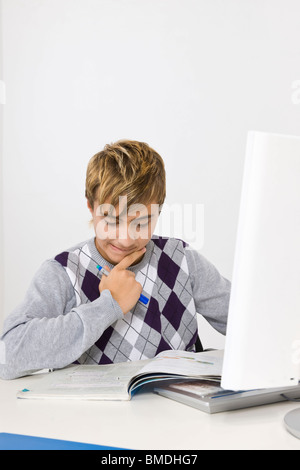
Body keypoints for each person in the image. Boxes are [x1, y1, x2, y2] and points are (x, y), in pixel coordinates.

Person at [0, 140, 230, 380]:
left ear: (159, 212)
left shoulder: (182, 259)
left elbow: (251, 323)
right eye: (112, 220)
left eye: (141, 222)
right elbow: (8, 355)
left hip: (175, 413)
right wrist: (108, 305)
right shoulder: (63, 273)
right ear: (91, 206)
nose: (126, 238)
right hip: (95, 415)